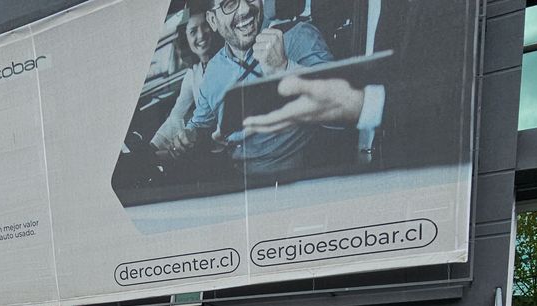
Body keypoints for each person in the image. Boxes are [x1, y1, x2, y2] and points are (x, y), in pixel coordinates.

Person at [241, 0, 467, 170]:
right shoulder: (331, 11)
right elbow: (335, 90)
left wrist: (363, 104)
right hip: (350, 178)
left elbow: (449, 94)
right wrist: (284, 68)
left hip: (414, 175)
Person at [169, 0, 334, 179]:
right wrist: (189, 134)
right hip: (237, 182)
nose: (246, 8)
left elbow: (343, 108)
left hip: (300, 177)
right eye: (230, 3)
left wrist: (284, 67)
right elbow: (200, 124)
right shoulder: (212, 72)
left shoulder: (298, 36)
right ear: (213, 20)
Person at [151, 3, 223, 153]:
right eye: (193, 31)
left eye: (205, 26)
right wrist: (154, 146)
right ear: (186, 40)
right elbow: (176, 115)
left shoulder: (225, 61)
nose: (201, 35)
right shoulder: (193, 73)